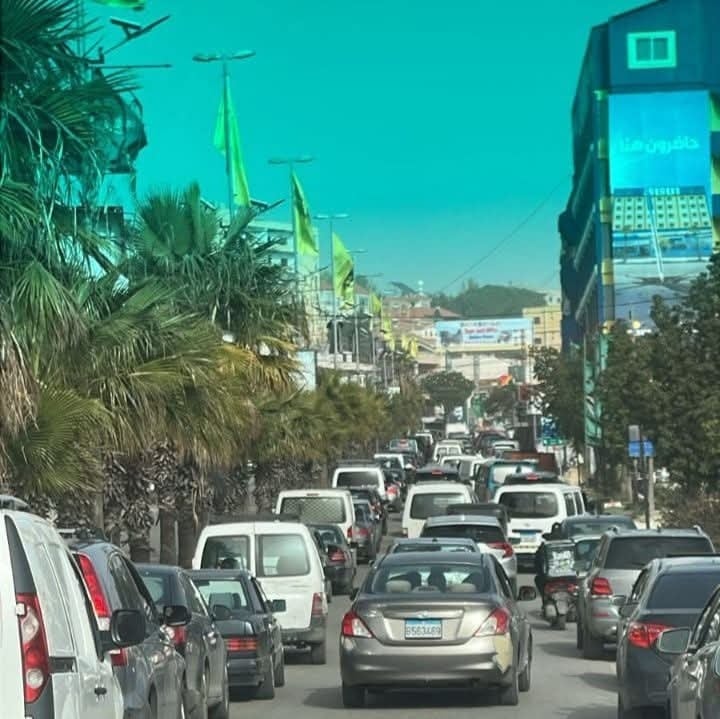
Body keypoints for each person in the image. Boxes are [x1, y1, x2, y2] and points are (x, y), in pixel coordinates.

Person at [534, 522, 563, 596]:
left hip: (568, 575)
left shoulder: (570, 546)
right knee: (538, 579)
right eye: (554, 538)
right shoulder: (544, 547)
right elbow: (538, 561)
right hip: (550, 575)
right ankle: (545, 597)